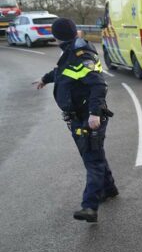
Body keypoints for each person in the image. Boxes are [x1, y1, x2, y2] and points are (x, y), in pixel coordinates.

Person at [33, 17, 117, 223]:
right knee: (94, 155)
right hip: (78, 117)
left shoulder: (81, 54)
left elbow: (99, 85)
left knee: (92, 159)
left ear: (56, 36)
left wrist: (94, 113)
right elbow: (62, 73)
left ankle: (90, 206)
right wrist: (45, 79)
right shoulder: (71, 52)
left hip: (88, 117)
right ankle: (109, 188)